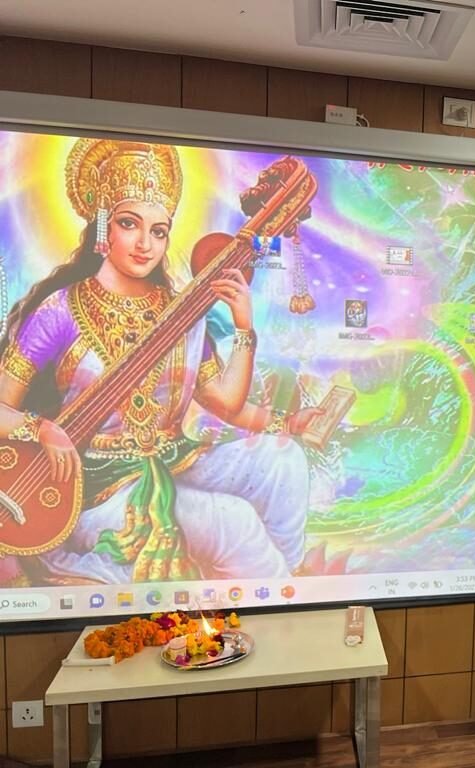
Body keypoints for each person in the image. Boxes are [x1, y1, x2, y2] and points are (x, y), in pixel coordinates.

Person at [0, 138, 321, 584]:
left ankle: (291, 586)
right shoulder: (60, 310)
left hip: (171, 459)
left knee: (283, 462)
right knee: (233, 521)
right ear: (103, 228)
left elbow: (225, 403)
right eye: (129, 224)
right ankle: (281, 603)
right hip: (90, 484)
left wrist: (246, 332)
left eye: (159, 231)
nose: (145, 244)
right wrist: (42, 429)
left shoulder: (180, 311)